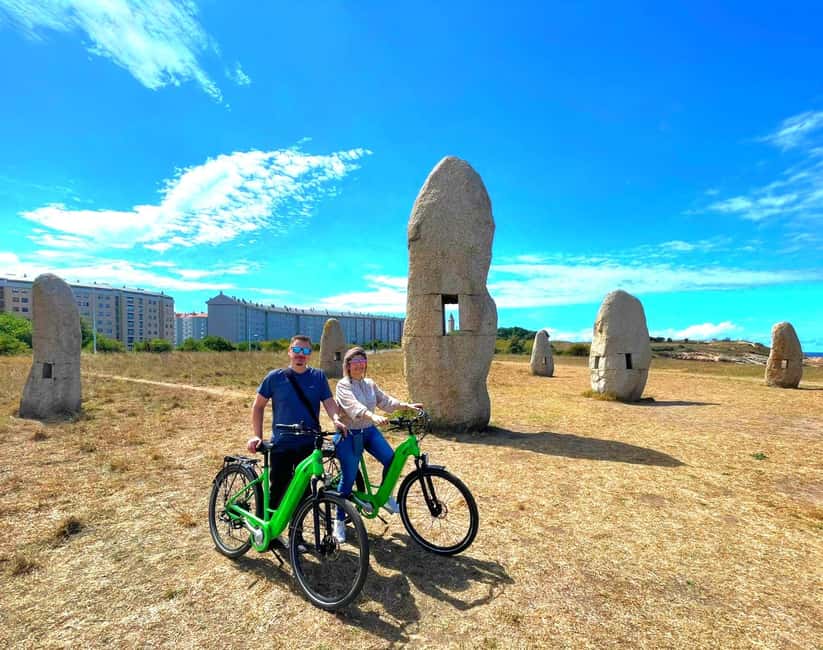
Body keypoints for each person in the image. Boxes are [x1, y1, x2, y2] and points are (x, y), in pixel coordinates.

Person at [247, 334, 347, 546]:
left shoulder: (318, 377)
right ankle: (270, 532)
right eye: (297, 350)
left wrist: (336, 419)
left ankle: (296, 535)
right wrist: (257, 435)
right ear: (289, 351)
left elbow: (329, 403)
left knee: (303, 492)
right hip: (282, 443)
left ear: (310, 354)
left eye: (305, 351)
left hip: (309, 444)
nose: (301, 355)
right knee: (279, 488)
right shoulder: (275, 377)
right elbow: (258, 406)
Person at [333, 346, 422, 542]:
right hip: (349, 434)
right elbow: (353, 406)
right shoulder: (343, 385)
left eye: (362, 361)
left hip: (368, 431)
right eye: (354, 362)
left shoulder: (369, 383)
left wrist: (406, 406)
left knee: (391, 460)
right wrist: (373, 416)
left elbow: (385, 400)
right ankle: (339, 522)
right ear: (347, 365)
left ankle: (385, 496)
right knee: (347, 480)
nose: (359, 365)